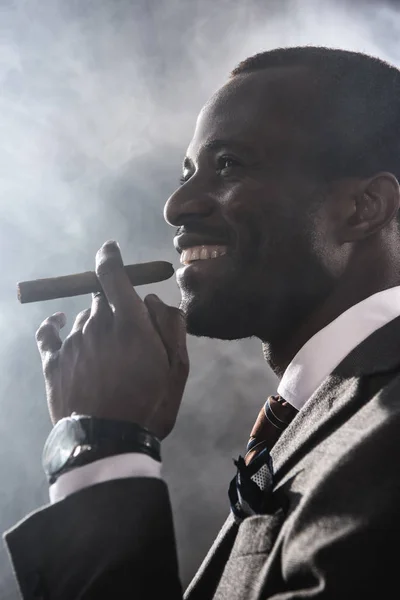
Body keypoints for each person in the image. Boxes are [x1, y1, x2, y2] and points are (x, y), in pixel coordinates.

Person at [5, 46, 400, 599]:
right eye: (188, 172)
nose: (177, 205)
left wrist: (104, 447)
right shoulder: (322, 418)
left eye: (229, 165)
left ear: (363, 208)